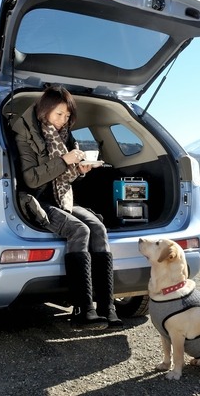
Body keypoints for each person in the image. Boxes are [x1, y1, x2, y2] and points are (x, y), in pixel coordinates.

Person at [10, 85, 123, 330]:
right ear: (44, 111)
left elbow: (64, 178)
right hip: (37, 199)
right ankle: (84, 309)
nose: (64, 120)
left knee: (98, 228)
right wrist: (64, 161)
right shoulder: (24, 133)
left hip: (62, 198)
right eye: (59, 114)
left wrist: (80, 171)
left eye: (67, 115)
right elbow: (31, 179)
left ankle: (107, 307)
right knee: (79, 230)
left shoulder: (64, 136)